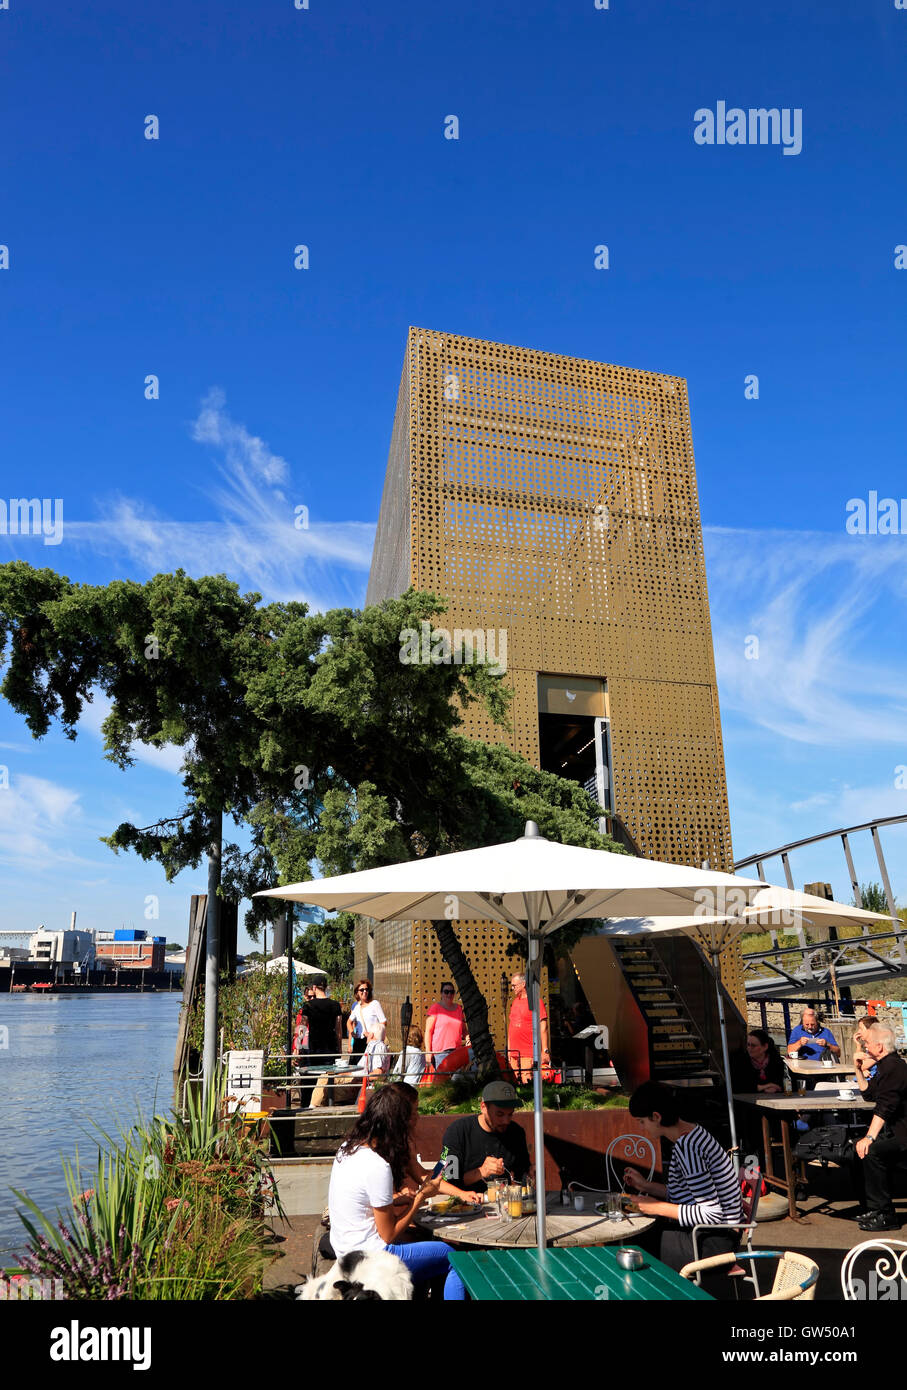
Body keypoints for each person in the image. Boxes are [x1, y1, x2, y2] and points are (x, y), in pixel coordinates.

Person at [327, 1082, 467, 1299]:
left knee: (424, 1247)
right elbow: (388, 1235)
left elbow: (364, 1207)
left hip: (346, 1251)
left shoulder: (347, 1149)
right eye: (414, 1112)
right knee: (455, 1259)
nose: (418, 1118)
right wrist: (419, 1198)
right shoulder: (377, 1166)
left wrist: (402, 1201)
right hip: (373, 1257)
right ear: (399, 1120)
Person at [625, 1080, 743, 1273]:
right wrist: (645, 1186)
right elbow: (685, 1195)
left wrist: (656, 1207)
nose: (641, 1128)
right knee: (642, 1233)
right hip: (717, 1236)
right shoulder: (693, 1133)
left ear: (656, 1117)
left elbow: (711, 1214)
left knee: (634, 1246)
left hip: (712, 1244)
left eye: (642, 1121)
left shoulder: (688, 1148)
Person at [852, 1023, 907, 1231]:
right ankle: (874, 1208)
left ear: (880, 1047)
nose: (865, 1047)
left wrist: (870, 1137)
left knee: (872, 1150)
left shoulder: (894, 1067)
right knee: (857, 1149)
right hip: (899, 1132)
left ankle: (886, 1214)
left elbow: (885, 1106)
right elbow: (869, 1094)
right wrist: (857, 1070)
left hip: (904, 1135)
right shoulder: (886, 1066)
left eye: (867, 1043)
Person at [441, 1081, 531, 1194]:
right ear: (483, 1107)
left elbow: (522, 1175)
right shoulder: (458, 1131)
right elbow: (447, 1179)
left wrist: (528, 1176)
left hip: (505, 1204)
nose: (506, 1121)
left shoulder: (516, 1132)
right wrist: (481, 1172)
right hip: (464, 1206)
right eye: (500, 1114)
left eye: (510, 1114)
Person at [508, 973, 549, 1081]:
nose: (512, 988)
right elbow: (511, 1027)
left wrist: (545, 1051)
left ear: (523, 984)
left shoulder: (536, 1002)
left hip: (528, 1053)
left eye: (514, 985)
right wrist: (509, 1050)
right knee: (515, 1083)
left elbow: (543, 1027)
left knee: (527, 1082)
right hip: (514, 1054)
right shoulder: (515, 1002)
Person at [424, 984, 467, 1071]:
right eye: (446, 992)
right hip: (440, 1053)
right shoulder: (435, 1008)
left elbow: (464, 1030)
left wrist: (468, 1039)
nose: (449, 995)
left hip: (457, 1052)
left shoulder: (459, 1009)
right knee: (443, 1081)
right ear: (441, 993)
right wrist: (428, 1051)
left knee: (456, 1080)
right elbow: (428, 1031)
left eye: (451, 992)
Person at [730, 1029, 785, 1094]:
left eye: (753, 1045)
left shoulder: (776, 1062)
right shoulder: (740, 1061)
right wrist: (766, 1086)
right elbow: (736, 1086)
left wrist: (776, 1089)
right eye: (748, 1045)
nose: (749, 1048)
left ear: (765, 1047)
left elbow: (784, 1083)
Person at [302, 976, 342, 1063]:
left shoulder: (308, 1005)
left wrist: (297, 1047)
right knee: (331, 1073)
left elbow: (302, 1027)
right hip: (330, 1046)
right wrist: (339, 1048)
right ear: (326, 988)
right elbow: (338, 1029)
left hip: (314, 1047)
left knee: (313, 1074)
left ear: (314, 987)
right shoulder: (336, 1005)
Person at [347, 980, 386, 1059]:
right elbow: (349, 1022)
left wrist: (372, 1034)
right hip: (359, 1042)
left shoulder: (375, 1004)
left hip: (371, 1042)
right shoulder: (357, 1007)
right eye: (362, 990)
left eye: (366, 989)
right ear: (357, 992)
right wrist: (352, 1033)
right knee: (355, 1068)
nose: (364, 991)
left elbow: (383, 1022)